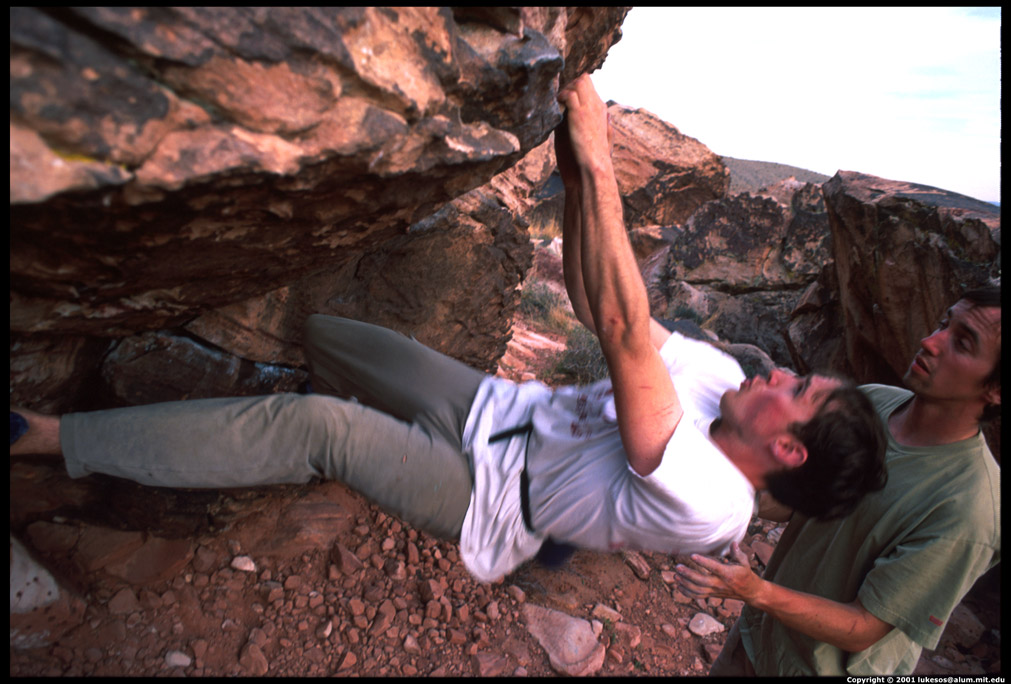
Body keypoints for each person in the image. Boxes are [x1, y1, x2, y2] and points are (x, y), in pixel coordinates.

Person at [9, 75, 886, 584]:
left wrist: (596, 159)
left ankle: (50, 436)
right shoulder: (711, 382)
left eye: (794, 390)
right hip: (491, 410)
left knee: (321, 429)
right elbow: (593, 300)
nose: (774, 374)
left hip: (490, 500)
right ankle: (276, 436)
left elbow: (620, 328)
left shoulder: (710, 501)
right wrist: (580, 179)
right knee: (328, 333)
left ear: (790, 453)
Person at [675, 287, 1001, 676]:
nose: (930, 342)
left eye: (962, 342)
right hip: (757, 642)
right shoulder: (875, 402)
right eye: (943, 324)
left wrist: (756, 591)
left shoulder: (969, 509)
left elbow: (864, 628)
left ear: (995, 390)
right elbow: (796, 503)